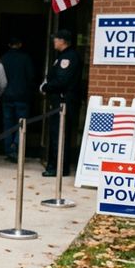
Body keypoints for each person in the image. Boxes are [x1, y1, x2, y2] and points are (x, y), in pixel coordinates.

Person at [41, 29, 83, 177]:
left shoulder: (68, 57)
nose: (54, 41)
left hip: (63, 101)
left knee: (59, 135)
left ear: (62, 41)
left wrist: (45, 87)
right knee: (57, 134)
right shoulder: (63, 56)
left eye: (56, 39)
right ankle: (55, 165)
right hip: (60, 100)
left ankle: (57, 167)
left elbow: (61, 81)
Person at [0, 38, 36, 163]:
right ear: (20, 44)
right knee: (21, 124)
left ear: (9, 44)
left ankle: (8, 150)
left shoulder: (3, 58)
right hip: (22, 96)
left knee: (8, 124)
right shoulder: (26, 58)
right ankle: (16, 145)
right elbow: (31, 76)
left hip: (7, 96)